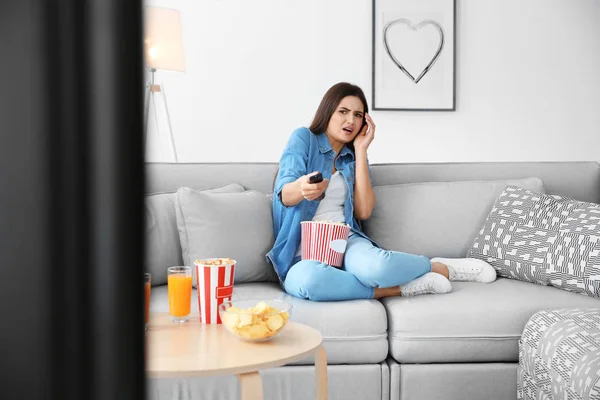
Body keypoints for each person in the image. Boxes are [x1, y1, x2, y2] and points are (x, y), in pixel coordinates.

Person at [266, 82, 496, 302]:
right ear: (327, 112)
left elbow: (364, 211)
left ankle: (437, 266)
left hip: (345, 242)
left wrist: (361, 149)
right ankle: (397, 289)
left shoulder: (353, 157)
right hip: (301, 255)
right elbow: (284, 193)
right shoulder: (303, 138)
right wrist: (302, 188)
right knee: (309, 281)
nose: (350, 120)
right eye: (343, 111)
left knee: (378, 267)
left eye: (358, 115)